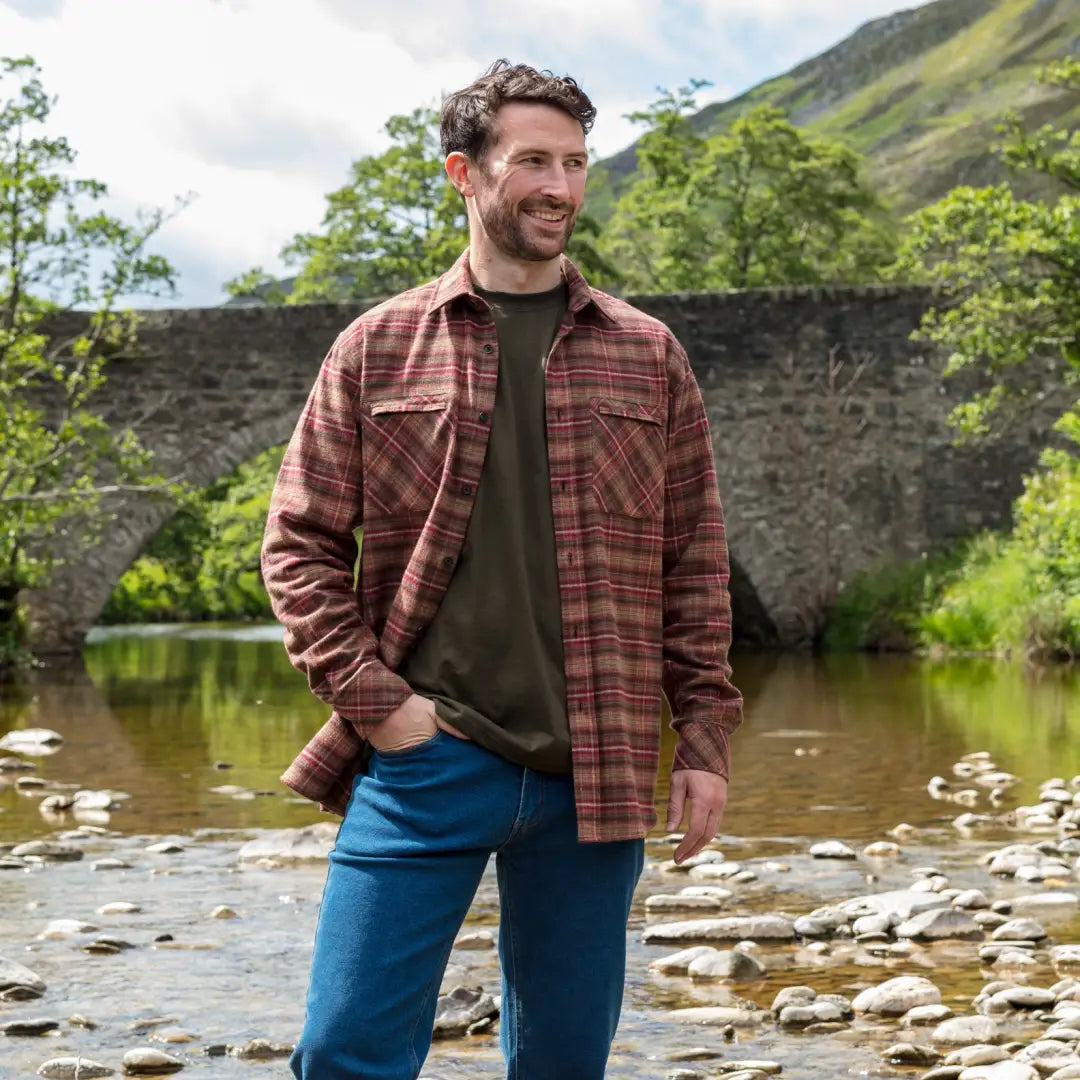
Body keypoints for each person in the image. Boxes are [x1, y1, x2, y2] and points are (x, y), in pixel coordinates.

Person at [262, 59, 743, 1080]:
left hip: (599, 771)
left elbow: (695, 564)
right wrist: (381, 706)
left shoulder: (648, 355)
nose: (560, 186)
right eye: (533, 160)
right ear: (463, 174)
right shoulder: (377, 348)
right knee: (344, 1053)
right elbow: (297, 547)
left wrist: (701, 739)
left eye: (575, 162)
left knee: (565, 1064)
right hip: (427, 759)